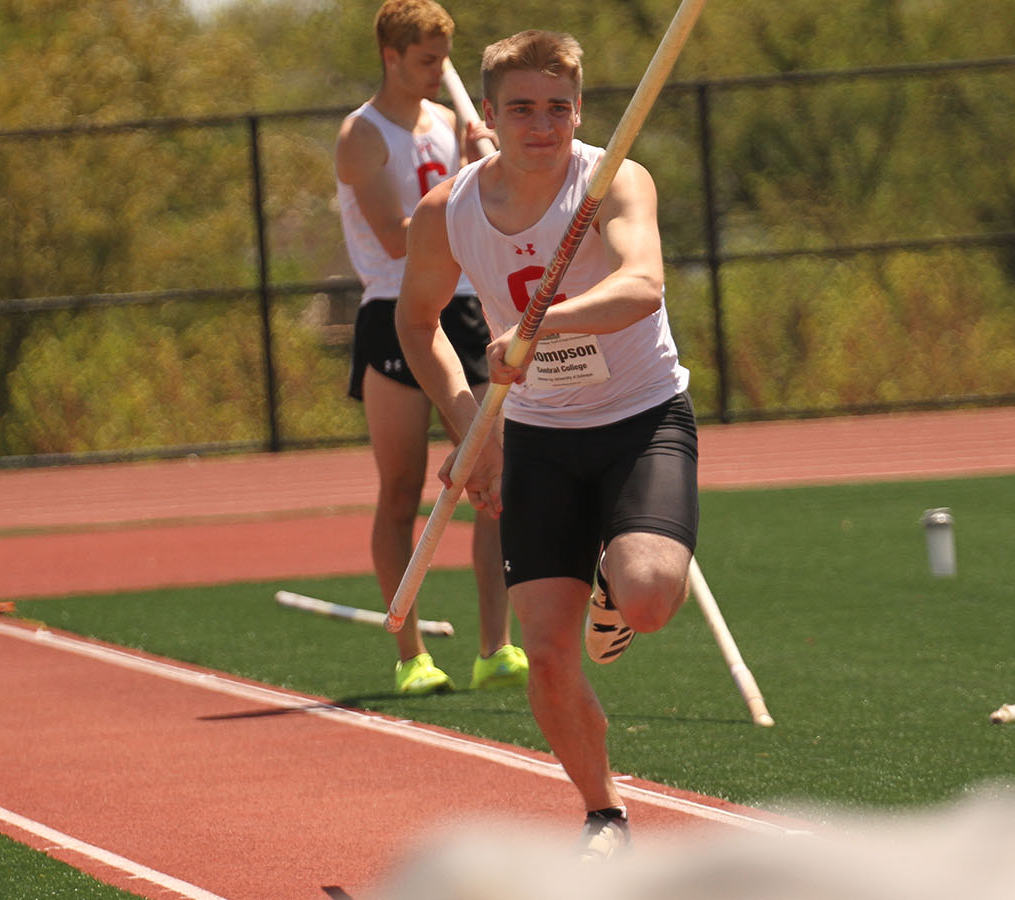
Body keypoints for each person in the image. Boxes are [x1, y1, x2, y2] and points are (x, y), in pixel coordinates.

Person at [394, 29, 698, 859]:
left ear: (579, 109)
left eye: (558, 108)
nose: (543, 125)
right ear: (488, 113)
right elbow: (415, 324)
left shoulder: (613, 179)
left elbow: (642, 284)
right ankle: (605, 813)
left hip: (640, 416)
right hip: (537, 432)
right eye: (522, 109)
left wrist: (538, 324)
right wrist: (469, 423)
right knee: (549, 653)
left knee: (647, 598)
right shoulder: (448, 211)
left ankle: (615, 578)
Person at [334, 0, 527, 696]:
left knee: (491, 474)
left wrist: (490, 161)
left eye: (444, 58)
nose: (437, 70)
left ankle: (493, 647)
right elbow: (399, 235)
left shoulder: (448, 124)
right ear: (391, 56)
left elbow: (495, 215)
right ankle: (412, 653)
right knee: (401, 489)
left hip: (466, 309)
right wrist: (476, 179)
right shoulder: (363, 134)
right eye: (425, 60)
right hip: (394, 311)